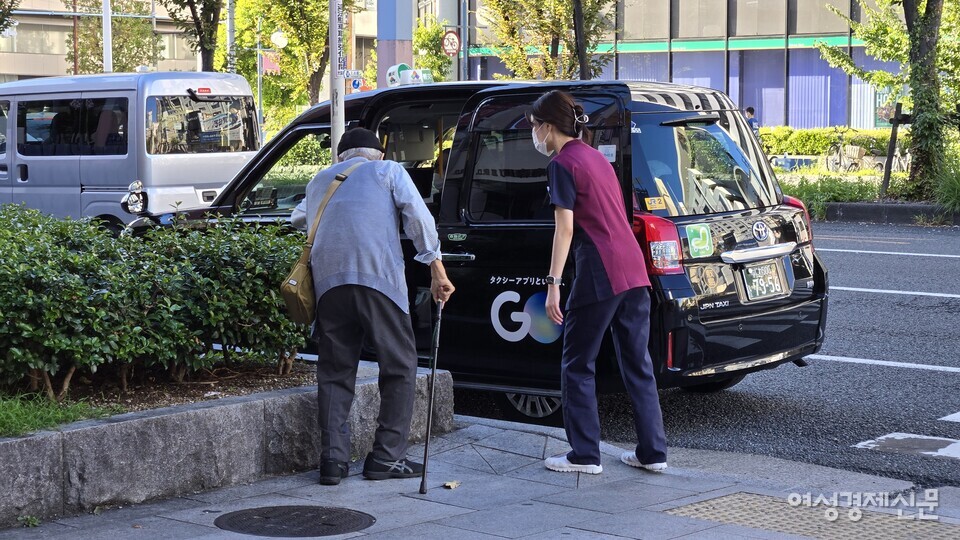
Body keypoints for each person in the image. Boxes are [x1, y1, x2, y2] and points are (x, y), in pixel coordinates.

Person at [291, 127, 455, 486]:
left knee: (335, 370)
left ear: (341, 157)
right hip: (378, 279)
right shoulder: (388, 170)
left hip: (329, 285)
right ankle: (386, 457)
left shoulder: (320, 180)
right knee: (399, 364)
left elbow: (298, 218)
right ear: (379, 154)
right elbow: (418, 217)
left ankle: (332, 461)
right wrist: (436, 268)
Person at [527, 90, 667, 475]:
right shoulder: (595, 157)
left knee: (577, 362)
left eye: (534, 126)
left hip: (599, 270)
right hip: (633, 269)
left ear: (548, 127)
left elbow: (565, 229)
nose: (533, 134)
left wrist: (553, 283)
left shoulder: (562, 164)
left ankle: (585, 454)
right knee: (638, 363)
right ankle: (653, 452)